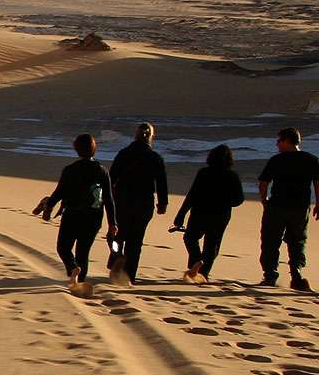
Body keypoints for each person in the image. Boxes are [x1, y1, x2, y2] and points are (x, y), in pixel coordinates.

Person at [38, 133, 117, 290]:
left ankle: (73, 268)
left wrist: (49, 207)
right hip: (93, 217)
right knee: (83, 252)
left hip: (72, 215)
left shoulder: (70, 170)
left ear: (77, 149)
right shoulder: (102, 171)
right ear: (94, 149)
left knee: (63, 248)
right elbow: (108, 199)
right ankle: (79, 284)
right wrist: (112, 223)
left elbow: (59, 192)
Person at [256, 127, 319, 291]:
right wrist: (318, 202)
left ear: (286, 141)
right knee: (297, 241)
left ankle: (270, 274)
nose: (277, 144)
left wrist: (264, 201)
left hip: (277, 206)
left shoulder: (277, 160)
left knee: (271, 240)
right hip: (300, 207)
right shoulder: (311, 159)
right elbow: (317, 183)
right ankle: (296, 273)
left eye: (279, 141)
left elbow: (263, 183)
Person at [172, 144, 244, 282]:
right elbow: (239, 199)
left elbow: (191, 195)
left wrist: (181, 214)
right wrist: (226, 202)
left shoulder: (204, 172)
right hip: (221, 215)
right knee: (212, 245)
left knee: (190, 238)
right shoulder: (232, 176)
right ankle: (203, 274)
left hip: (200, 211)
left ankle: (196, 261)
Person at [109, 122, 168, 284]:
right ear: (151, 137)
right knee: (136, 241)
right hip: (144, 204)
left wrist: (109, 198)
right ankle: (129, 275)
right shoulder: (155, 157)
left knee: (119, 235)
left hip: (122, 201)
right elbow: (161, 183)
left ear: (135, 135)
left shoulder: (124, 153)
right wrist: (162, 204)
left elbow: (112, 177)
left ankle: (116, 256)